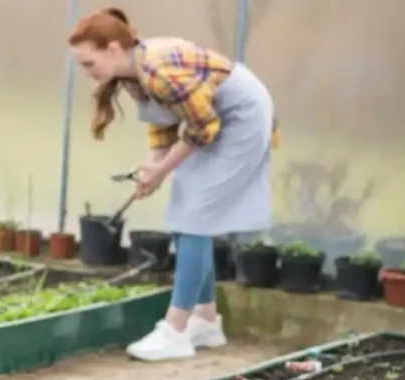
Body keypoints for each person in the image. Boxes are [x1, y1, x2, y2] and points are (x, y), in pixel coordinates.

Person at [67, 7, 278, 362]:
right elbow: (163, 125)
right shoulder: (134, 73)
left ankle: (175, 330)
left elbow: (202, 128)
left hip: (242, 118)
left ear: (114, 49)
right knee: (184, 213)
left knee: (194, 218)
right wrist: (152, 169)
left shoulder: (158, 72)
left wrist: (162, 169)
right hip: (214, 121)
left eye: (89, 63)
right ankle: (206, 319)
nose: (88, 73)